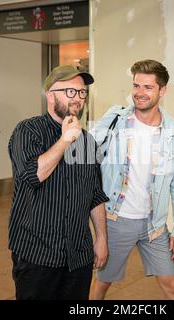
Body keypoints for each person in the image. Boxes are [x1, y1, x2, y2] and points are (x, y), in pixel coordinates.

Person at [7, 65, 109, 300]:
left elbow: (95, 194)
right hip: (37, 254)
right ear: (50, 95)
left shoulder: (87, 141)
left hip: (78, 256)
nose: (78, 99)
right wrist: (65, 140)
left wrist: (102, 238)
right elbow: (33, 175)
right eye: (70, 92)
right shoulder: (28, 131)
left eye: (82, 93)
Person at [90, 59, 174, 300]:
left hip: (154, 225)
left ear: (162, 90)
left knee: (173, 286)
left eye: (148, 87)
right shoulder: (115, 119)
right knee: (101, 285)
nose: (139, 93)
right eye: (136, 86)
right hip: (115, 220)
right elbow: (89, 154)